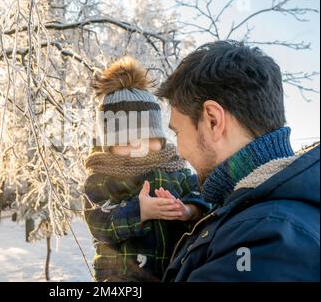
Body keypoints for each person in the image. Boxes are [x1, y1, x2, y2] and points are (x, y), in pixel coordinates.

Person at [155, 40, 320, 281]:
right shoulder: (257, 210)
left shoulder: (267, 238)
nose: (180, 151)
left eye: (178, 133)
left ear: (213, 121)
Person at [83, 57, 211, 282]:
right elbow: (98, 223)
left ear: (159, 138)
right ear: (110, 146)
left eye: (145, 138)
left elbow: (204, 196)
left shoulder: (176, 170)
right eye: (125, 141)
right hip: (120, 277)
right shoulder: (101, 178)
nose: (137, 147)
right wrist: (139, 211)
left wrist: (189, 210)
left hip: (173, 273)